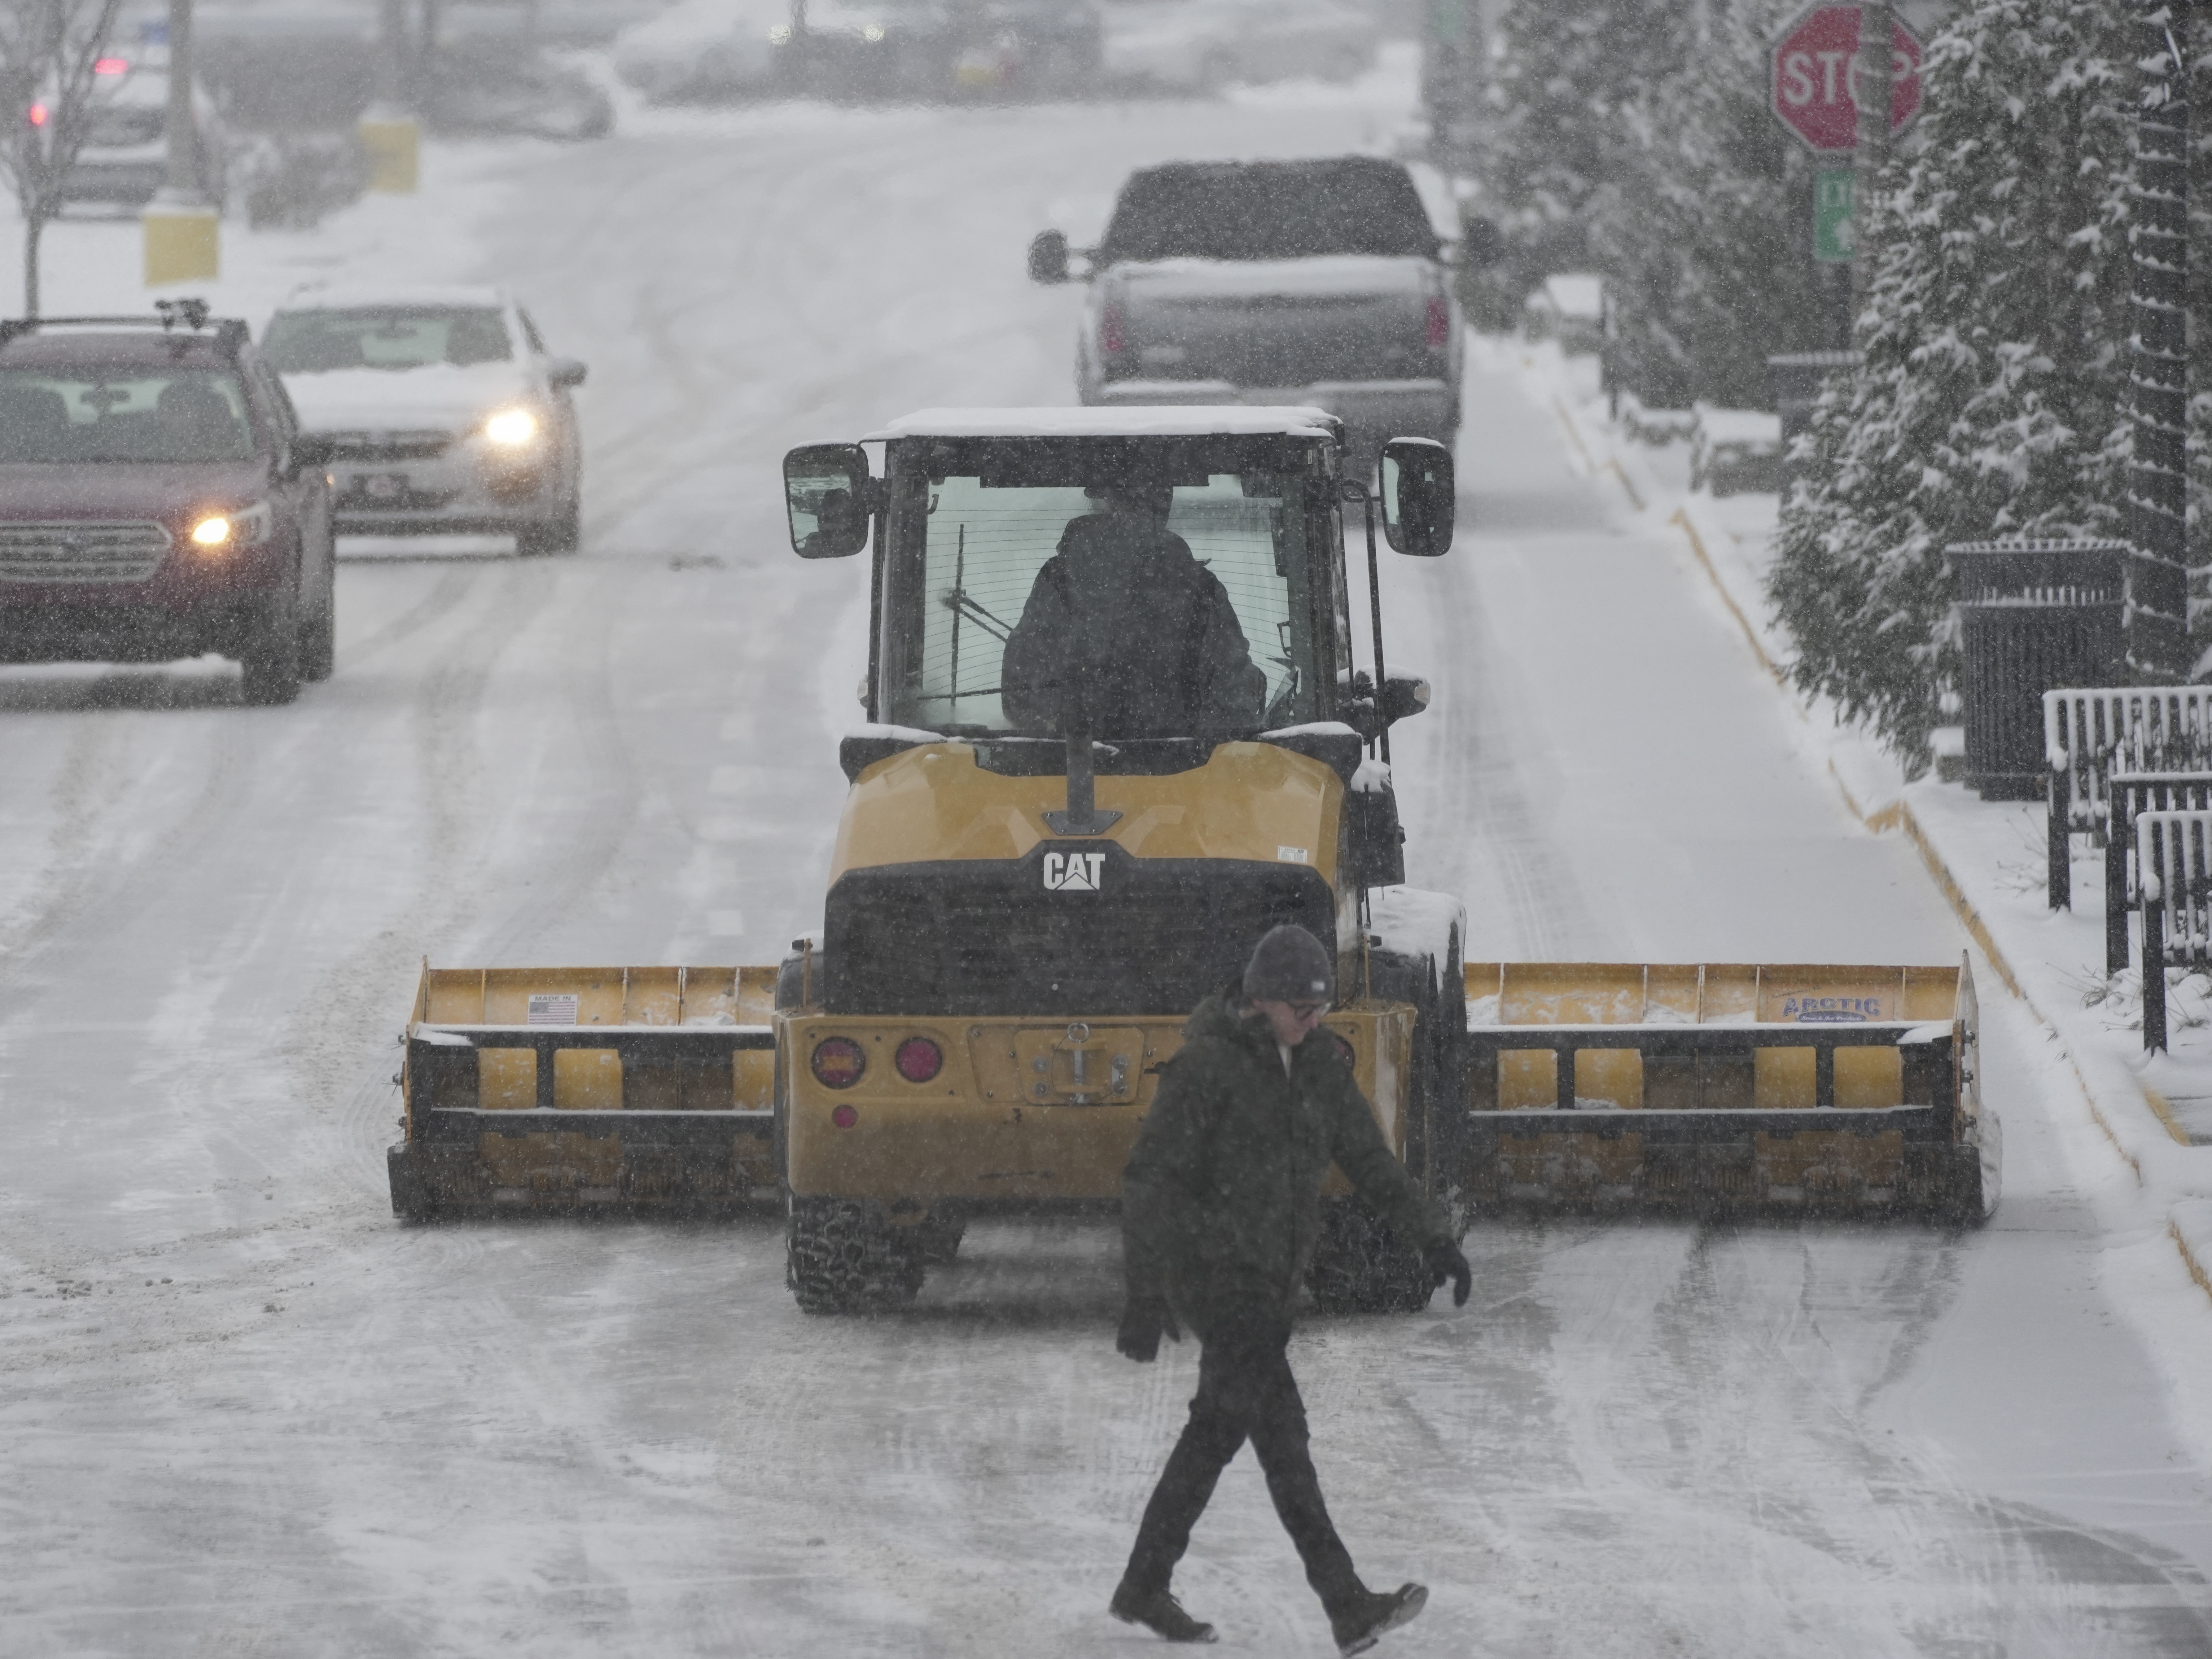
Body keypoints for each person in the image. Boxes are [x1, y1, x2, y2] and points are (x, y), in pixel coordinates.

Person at [1111, 923, 1473, 1655]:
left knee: (1255, 1439)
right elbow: (1150, 1179)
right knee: (1248, 1436)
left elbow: (1370, 1162)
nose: (1313, 1019)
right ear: (1260, 1000)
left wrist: (1433, 1237)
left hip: (1272, 1281)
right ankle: (1339, 1602)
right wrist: (1145, 1289)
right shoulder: (1206, 1069)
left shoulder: (1316, 1070)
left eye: (1319, 1006)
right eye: (1300, 1007)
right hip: (1216, 1276)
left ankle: (1149, 1586)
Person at [999, 478, 1266, 738]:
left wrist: (1066, 727)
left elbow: (1023, 690)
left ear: (1107, 502)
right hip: (1182, 761)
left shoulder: (1059, 579)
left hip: (1068, 762)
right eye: (1155, 501)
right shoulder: (1199, 586)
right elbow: (1233, 690)